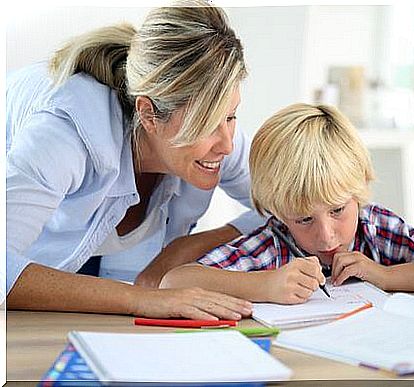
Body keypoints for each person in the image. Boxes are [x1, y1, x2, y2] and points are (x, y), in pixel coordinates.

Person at [6, 0, 265, 319]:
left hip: (92, 250)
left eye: (231, 116)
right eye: (207, 123)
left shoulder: (221, 141)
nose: (226, 145)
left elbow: (290, 205)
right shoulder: (66, 133)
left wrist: (186, 247)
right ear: (148, 114)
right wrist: (139, 299)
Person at [159, 103, 414, 304]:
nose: (326, 237)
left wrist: (386, 276)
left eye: (337, 210)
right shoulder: (273, 245)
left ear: (358, 190)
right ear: (278, 214)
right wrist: (266, 285)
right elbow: (173, 282)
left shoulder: (376, 229)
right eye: (304, 219)